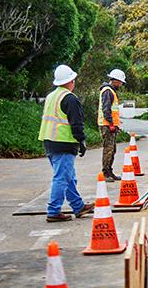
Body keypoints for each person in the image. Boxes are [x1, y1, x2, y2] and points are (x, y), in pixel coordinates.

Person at [38, 65, 94, 222]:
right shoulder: (70, 98)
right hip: (63, 142)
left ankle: (78, 206)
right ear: (71, 81)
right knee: (61, 178)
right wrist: (81, 140)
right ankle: (53, 211)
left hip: (49, 141)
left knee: (68, 177)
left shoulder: (51, 96)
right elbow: (76, 123)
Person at [98, 69, 126, 182]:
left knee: (112, 150)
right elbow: (106, 110)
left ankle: (110, 171)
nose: (121, 84)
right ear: (115, 80)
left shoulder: (110, 91)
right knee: (108, 150)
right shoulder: (107, 91)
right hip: (107, 125)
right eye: (120, 82)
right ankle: (106, 173)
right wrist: (111, 124)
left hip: (110, 125)